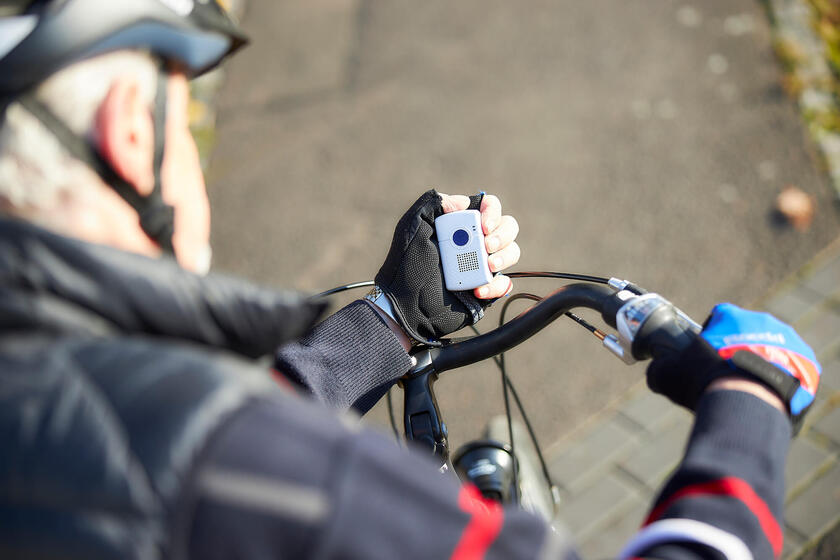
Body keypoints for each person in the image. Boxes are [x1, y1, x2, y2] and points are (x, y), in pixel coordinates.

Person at [0, 1, 821, 559]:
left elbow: (147, 435)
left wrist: (388, 323)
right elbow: (215, 452)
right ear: (133, 137)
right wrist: (746, 413)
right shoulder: (255, 472)